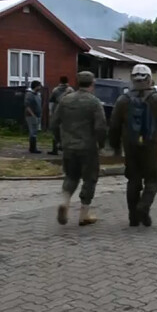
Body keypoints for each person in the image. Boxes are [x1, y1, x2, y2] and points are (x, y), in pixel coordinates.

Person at [109, 64, 157, 227]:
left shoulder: (123, 100)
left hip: (130, 145)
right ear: (149, 79)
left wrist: (115, 146)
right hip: (150, 145)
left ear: (132, 78)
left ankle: (133, 217)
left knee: (133, 180)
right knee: (154, 179)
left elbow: (114, 125)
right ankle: (143, 207)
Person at [50, 71, 107, 226]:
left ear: (77, 82)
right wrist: (101, 144)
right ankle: (84, 214)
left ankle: (64, 202)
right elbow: (101, 126)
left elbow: (54, 123)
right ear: (92, 84)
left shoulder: (65, 100)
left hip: (69, 146)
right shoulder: (94, 102)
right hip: (88, 148)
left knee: (71, 176)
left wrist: (59, 141)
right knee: (90, 178)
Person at [48, 76, 74, 155]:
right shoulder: (71, 90)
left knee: (55, 130)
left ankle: (55, 149)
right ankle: (65, 147)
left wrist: (50, 112)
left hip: (57, 111)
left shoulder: (55, 90)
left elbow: (51, 100)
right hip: (67, 112)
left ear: (60, 81)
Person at [25, 80, 43, 154]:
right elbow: (27, 106)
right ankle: (32, 148)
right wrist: (32, 115)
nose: (40, 87)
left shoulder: (38, 95)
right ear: (36, 86)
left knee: (35, 131)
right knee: (33, 131)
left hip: (37, 115)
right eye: (39, 85)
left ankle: (33, 147)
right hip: (31, 116)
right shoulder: (30, 94)